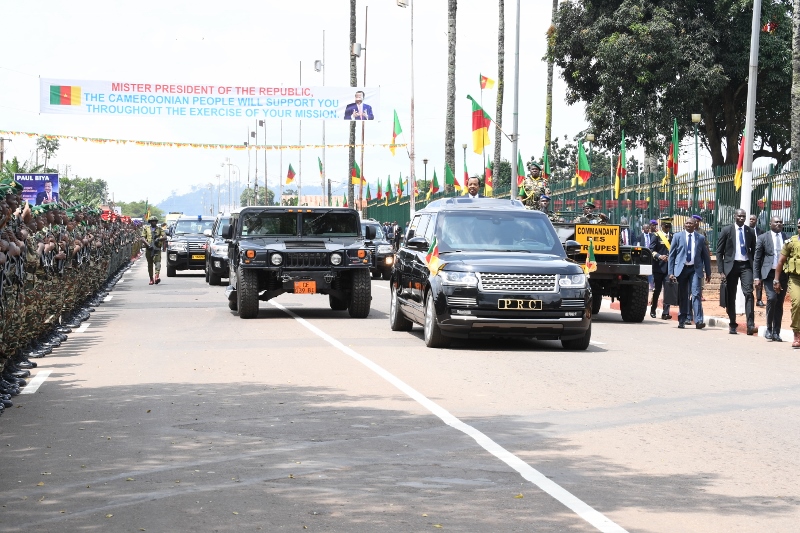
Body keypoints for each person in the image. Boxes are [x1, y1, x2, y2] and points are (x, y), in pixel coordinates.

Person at [717, 208, 757, 335]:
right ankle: (732, 324)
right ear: (735, 216)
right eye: (739, 216)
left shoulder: (749, 231)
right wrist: (721, 271)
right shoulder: (726, 230)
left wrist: (756, 270)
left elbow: (755, 250)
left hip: (746, 266)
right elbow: (719, 252)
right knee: (731, 296)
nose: (741, 218)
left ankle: (750, 325)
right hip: (731, 267)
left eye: (743, 216)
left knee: (749, 293)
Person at [669, 218, 712, 329]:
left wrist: (708, 272)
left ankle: (698, 321)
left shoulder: (700, 238)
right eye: (687, 223)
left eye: (690, 223)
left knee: (696, 293)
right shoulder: (677, 236)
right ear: (684, 225)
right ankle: (682, 320)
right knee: (683, 295)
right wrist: (671, 272)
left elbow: (706, 257)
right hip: (681, 270)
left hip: (695, 270)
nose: (688, 225)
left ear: (695, 225)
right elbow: (672, 256)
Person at [754, 216, 788, 342]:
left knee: (779, 303)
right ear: (770, 224)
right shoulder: (763, 238)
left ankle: (776, 332)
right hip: (768, 274)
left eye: (780, 222)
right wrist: (757, 277)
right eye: (776, 222)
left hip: (783, 275)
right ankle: (769, 328)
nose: (779, 224)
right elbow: (757, 259)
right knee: (772, 298)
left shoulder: (786, 238)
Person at [774, 220, 800, 347]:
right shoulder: (791, 242)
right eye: (799, 227)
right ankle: (797, 333)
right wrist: (776, 280)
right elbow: (780, 262)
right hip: (796, 278)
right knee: (797, 303)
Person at [649, 217, 673, 319]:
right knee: (657, 290)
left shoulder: (673, 236)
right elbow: (651, 250)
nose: (668, 228)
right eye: (666, 226)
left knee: (668, 290)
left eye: (669, 226)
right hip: (659, 267)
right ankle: (653, 309)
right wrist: (659, 256)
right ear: (662, 226)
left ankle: (665, 312)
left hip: (669, 268)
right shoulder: (656, 236)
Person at [140, 215, 166, 285]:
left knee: (157, 263)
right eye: (152, 221)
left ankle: (156, 277)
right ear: (150, 222)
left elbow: (165, 237)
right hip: (149, 249)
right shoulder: (146, 229)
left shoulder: (159, 229)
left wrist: (159, 239)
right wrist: (148, 244)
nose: (153, 222)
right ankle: (151, 279)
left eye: (155, 221)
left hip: (157, 248)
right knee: (150, 264)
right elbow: (142, 238)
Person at [750, 214, 766, 307]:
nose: (752, 220)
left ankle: (759, 299)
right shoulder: (746, 230)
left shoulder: (761, 231)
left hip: (759, 258)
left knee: (759, 278)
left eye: (753, 219)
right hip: (749, 257)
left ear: (756, 220)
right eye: (750, 219)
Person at [639, 221, 655, 290]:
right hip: (643, 255)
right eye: (646, 228)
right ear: (643, 229)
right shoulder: (640, 236)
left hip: (652, 254)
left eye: (648, 228)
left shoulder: (652, 236)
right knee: (644, 269)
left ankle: (651, 284)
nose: (647, 229)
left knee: (651, 269)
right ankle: (644, 284)